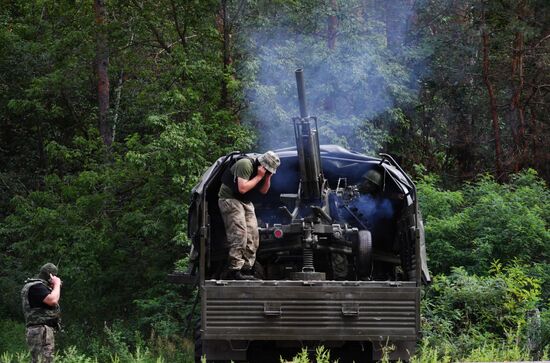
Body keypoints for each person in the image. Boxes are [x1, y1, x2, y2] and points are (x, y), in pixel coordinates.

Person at [218, 151, 280, 280]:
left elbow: (263, 191)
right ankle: (234, 270)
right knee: (240, 234)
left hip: (245, 201)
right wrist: (258, 176)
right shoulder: (245, 164)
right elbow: (242, 189)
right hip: (230, 199)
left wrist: (267, 177)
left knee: (253, 235)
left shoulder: (264, 172)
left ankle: (246, 269)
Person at [21, 263, 62, 363]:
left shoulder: (35, 286)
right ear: (51, 276)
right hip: (41, 331)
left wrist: (52, 288)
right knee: (43, 360)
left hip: (39, 330)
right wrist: (56, 284)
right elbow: (52, 300)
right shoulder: (37, 287)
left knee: (40, 360)